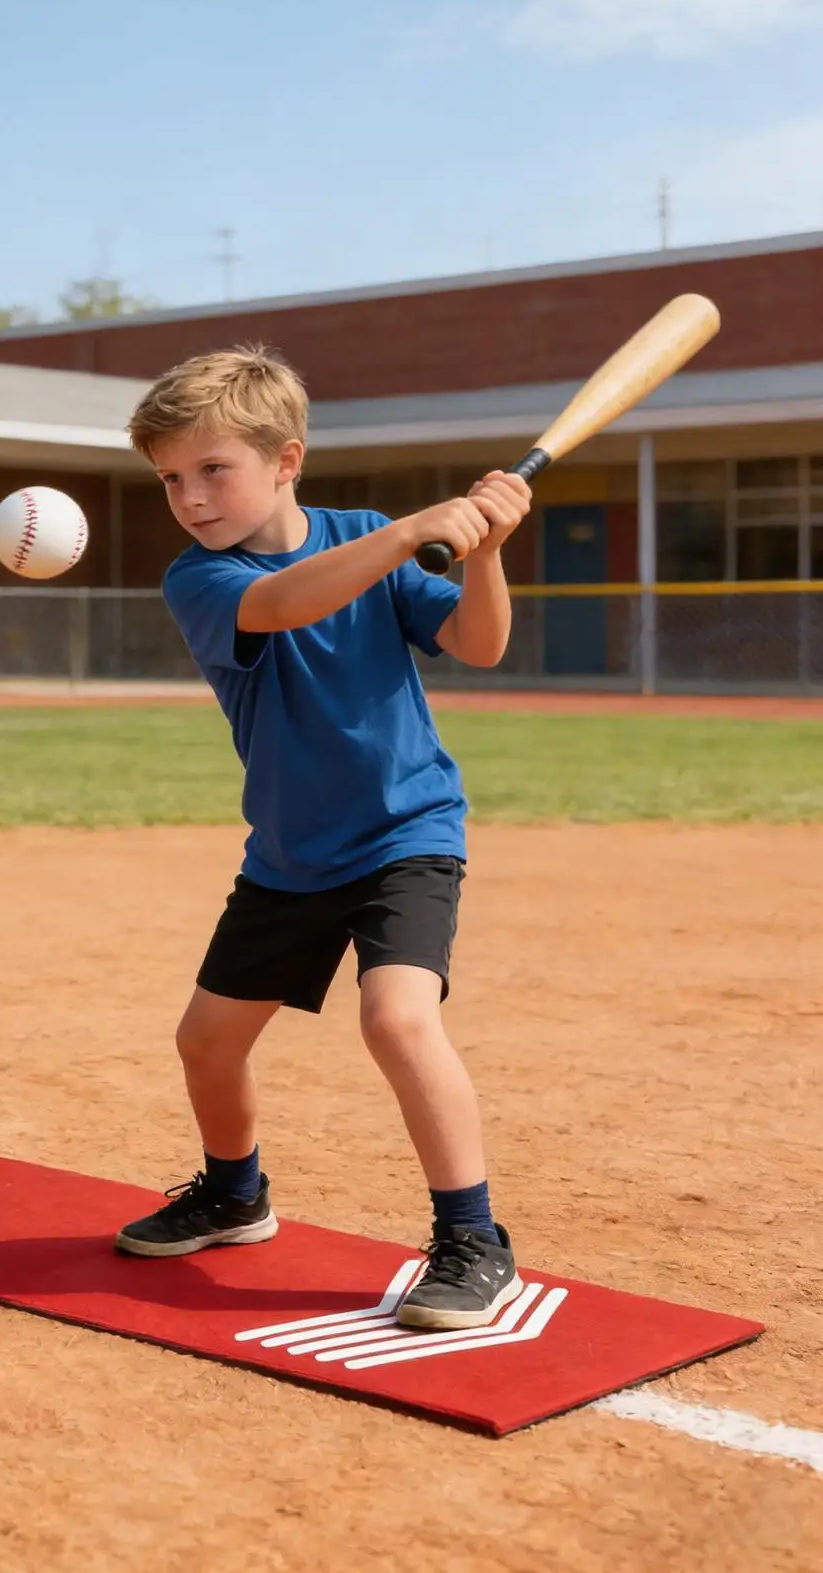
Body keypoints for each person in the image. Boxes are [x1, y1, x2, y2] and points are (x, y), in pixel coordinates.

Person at [114, 346, 532, 1330]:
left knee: (396, 1018)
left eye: (212, 468)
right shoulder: (201, 577)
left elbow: (479, 644)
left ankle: (473, 1238)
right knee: (206, 1042)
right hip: (290, 853)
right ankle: (234, 1195)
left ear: (285, 460)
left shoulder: (365, 539)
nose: (190, 496)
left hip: (404, 831)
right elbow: (284, 601)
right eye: (170, 478)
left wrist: (487, 550)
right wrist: (410, 532)